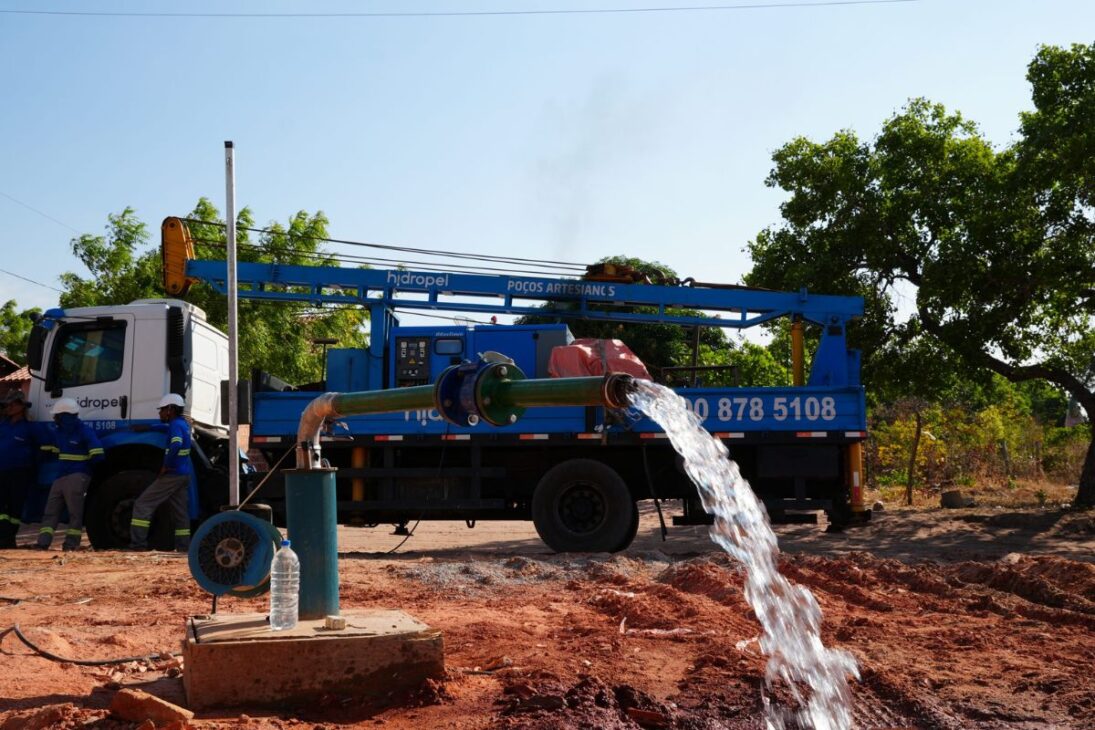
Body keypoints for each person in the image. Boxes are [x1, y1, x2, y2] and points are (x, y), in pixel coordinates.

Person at [36, 398, 104, 551]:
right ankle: (43, 543)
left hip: (76, 476)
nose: (54, 418)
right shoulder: (60, 431)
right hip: (63, 475)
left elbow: (97, 454)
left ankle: (70, 545)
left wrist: (86, 471)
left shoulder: (82, 430)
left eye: (56, 415)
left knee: (74, 513)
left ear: (63, 416)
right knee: (52, 511)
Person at [129, 393, 193, 552]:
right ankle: (183, 548)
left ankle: (138, 545)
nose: (160, 413)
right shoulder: (182, 424)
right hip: (183, 475)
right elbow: (166, 428)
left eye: (162, 410)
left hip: (172, 474)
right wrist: (149, 427)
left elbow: (176, 444)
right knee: (181, 514)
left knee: (142, 504)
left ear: (170, 409)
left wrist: (166, 465)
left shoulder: (175, 426)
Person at [0, 391, 37, 549]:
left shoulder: (29, 429)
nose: (9, 407)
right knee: (1, 507)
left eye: (12, 404)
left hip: (20, 474)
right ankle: (3, 537)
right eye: (7, 404)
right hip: (2, 472)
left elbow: (40, 450)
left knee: (16, 508)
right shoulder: (2, 426)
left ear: (21, 407)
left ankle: (9, 539)